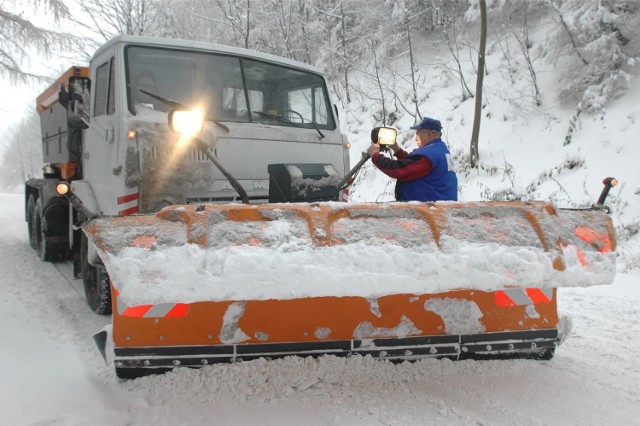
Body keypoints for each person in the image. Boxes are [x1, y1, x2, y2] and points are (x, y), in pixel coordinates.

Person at [367, 117, 458, 202]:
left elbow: (398, 170)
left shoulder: (429, 156)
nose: (416, 139)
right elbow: (413, 165)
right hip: (437, 207)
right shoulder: (439, 151)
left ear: (428, 134)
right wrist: (396, 149)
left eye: (418, 134)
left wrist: (376, 155)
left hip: (429, 212)